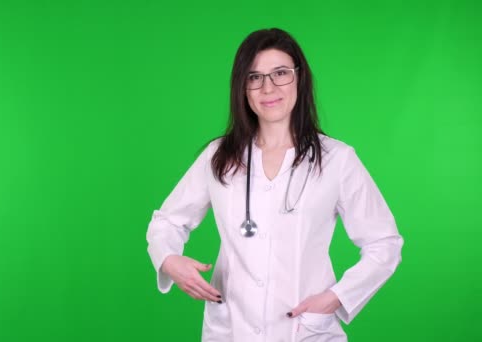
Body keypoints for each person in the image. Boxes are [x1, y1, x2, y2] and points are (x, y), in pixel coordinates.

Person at [146, 28, 403, 342]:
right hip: (231, 330)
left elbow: (385, 243)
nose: (268, 87)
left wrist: (337, 297)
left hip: (306, 331)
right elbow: (167, 221)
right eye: (254, 77)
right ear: (243, 88)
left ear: (299, 78)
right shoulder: (219, 156)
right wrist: (169, 260)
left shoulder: (337, 159)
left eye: (280, 73)